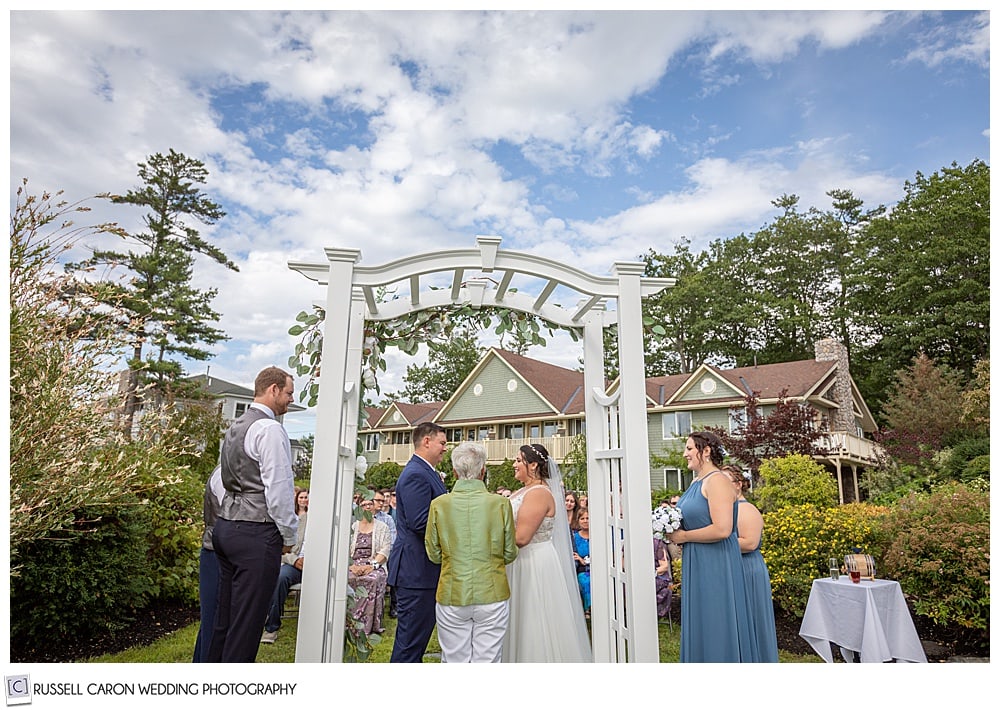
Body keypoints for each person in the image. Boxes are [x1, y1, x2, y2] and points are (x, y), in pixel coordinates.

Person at [207, 366, 299, 663]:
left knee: (224, 621)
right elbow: (280, 490)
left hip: (225, 527)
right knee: (246, 627)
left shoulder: (236, 425)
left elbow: (224, 478)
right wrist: (288, 534)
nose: (289, 400)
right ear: (273, 390)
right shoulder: (271, 429)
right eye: (288, 393)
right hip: (254, 533)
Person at [424, 442, 517, 662]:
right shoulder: (500, 504)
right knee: (488, 660)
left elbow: (433, 553)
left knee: (455, 660)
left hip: (452, 590)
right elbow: (510, 552)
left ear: (454, 471)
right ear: (483, 470)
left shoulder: (439, 504)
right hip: (492, 591)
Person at [669, 431, 756, 662]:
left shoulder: (717, 481)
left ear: (705, 451)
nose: (685, 454)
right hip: (697, 560)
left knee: (716, 619)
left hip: (715, 562)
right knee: (701, 618)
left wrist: (685, 536)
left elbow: (722, 529)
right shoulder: (697, 482)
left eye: (689, 449)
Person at [502, 443, 592, 662]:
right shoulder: (523, 491)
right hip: (519, 561)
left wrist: (488, 540)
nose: (514, 465)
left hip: (533, 561)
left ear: (533, 465)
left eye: (518, 461)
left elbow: (522, 538)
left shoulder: (539, 493)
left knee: (534, 619)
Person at [387, 421, 449, 662]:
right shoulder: (416, 474)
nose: (445, 448)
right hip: (416, 570)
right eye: (442, 443)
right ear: (426, 441)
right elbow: (420, 522)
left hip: (422, 569)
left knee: (416, 640)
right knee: (410, 643)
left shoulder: (426, 472)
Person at [725, 464, 779, 662]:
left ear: (738, 485)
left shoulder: (745, 509)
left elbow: (750, 542)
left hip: (747, 569)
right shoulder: (727, 509)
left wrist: (715, 541)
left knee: (751, 620)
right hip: (733, 567)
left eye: (725, 482)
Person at [260, 488, 309, 644]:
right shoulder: (296, 520)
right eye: (302, 497)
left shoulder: (327, 523)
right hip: (296, 564)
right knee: (280, 577)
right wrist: (295, 560)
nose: (305, 500)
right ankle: (271, 628)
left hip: (319, 564)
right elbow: (282, 549)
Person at [193, 465, 225, 662]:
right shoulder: (224, 475)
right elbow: (230, 517)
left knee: (213, 624)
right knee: (214, 624)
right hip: (216, 554)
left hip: (222, 552)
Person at [348, 497, 392, 635]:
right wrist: (351, 566)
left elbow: (385, 550)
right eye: (364, 504)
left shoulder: (382, 527)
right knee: (347, 579)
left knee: (371, 580)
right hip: (353, 565)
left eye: (370, 504)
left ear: (374, 508)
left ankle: (365, 625)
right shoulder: (353, 527)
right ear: (359, 508)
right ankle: (348, 623)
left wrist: (371, 565)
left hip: (374, 565)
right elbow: (344, 550)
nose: (367, 506)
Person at [572, 509, 592, 618]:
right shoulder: (575, 537)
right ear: (578, 521)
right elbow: (574, 554)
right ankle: (587, 609)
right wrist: (580, 559)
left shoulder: (597, 537)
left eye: (587, 518)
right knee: (585, 580)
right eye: (582, 518)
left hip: (596, 569)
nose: (585, 521)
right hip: (582, 570)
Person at [653, 532, 673, 622]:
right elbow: (623, 564)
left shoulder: (656, 543)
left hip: (656, 576)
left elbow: (664, 567)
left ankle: (650, 612)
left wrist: (652, 573)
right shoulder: (629, 543)